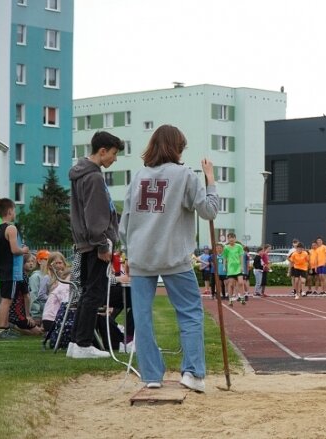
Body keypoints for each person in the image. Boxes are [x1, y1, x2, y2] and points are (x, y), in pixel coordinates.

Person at [119, 124, 218, 391]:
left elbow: (124, 221)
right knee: (190, 313)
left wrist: (127, 252)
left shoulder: (138, 176)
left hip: (141, 256)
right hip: (174, 256)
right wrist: (211, 181)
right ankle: (193, 373)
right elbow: (208, 211)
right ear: (177, 148)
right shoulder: (185, 175)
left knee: (142, 316)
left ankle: (151, 375)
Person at [68, 131, 124, 359]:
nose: (115, 159)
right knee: (95, 294)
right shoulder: (94, 177)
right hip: (95, 243)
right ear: (102, 151)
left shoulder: (81, 174)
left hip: (86, 242)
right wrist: (103, 244)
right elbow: (94, 215)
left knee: (88, 293)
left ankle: (76, 342)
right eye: (113, 153)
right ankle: (82, 344)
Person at [0, 198, 31, 340]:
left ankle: (4, 327)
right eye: (14, 210)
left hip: (3, 269)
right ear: (10, 211)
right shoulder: (11, 228)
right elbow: (14, 249)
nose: (15, 213)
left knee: (6, 299)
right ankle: (0, 329)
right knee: (6, 300)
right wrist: (24, 250)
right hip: (11, 270)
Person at [42, 253, 70, 333]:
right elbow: (41, 295)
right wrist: (52, 297)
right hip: (50, 308)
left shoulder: (66, 277)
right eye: (56, 263)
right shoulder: (47, 278)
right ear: (50, 265)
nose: (58, 265)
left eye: (60, 263)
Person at [222, 233, 246, 305]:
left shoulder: (239, 246)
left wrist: (242, 266)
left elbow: (241, 257)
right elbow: (224, 258)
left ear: (235, 239)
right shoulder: (226, 248)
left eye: (232, 238)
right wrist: (224, 266)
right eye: (229, 238)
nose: (231, 239)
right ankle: (230, 299)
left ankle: (242, 298)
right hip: (230, 268)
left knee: (241, 283)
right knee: (231, 284)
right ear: (228, 239)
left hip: (238, 267)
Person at [28, 249, 50, 323]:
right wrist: (36, 315)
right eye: (47, 259)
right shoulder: (35, 276)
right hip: (40, 312)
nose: (50, 262)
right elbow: (33, 295)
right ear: (39, 261)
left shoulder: (50, 275)